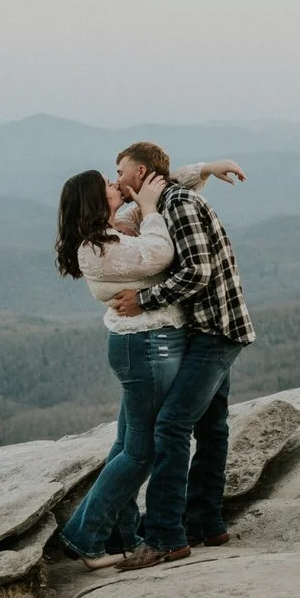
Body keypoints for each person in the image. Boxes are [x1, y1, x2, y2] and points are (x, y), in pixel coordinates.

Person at [52, 157, 245, 567]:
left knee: (128, 445)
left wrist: (205, 168)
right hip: (146, 347)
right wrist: (153, 211)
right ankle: (85, 535)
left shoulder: (112, 230)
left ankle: (121, 535)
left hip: (149, 344)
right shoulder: (101, 247)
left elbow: (154, 182)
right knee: (142, 451)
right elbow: (160, 253)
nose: (116, 184)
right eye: (108, 183)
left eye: (118, 175)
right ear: (94, 199)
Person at [108, 140, 255, 571]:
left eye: (121, 171)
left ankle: (165, 537)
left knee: (171, 424)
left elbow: (197, 271)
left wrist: (144, 300)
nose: (117, 178)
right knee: (210, 426)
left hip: (215, 330)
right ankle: (206, 522)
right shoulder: (165, 198)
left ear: (140, 172)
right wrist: (207, 166)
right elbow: (168, 180)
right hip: (214, 327)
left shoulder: (179, 205)